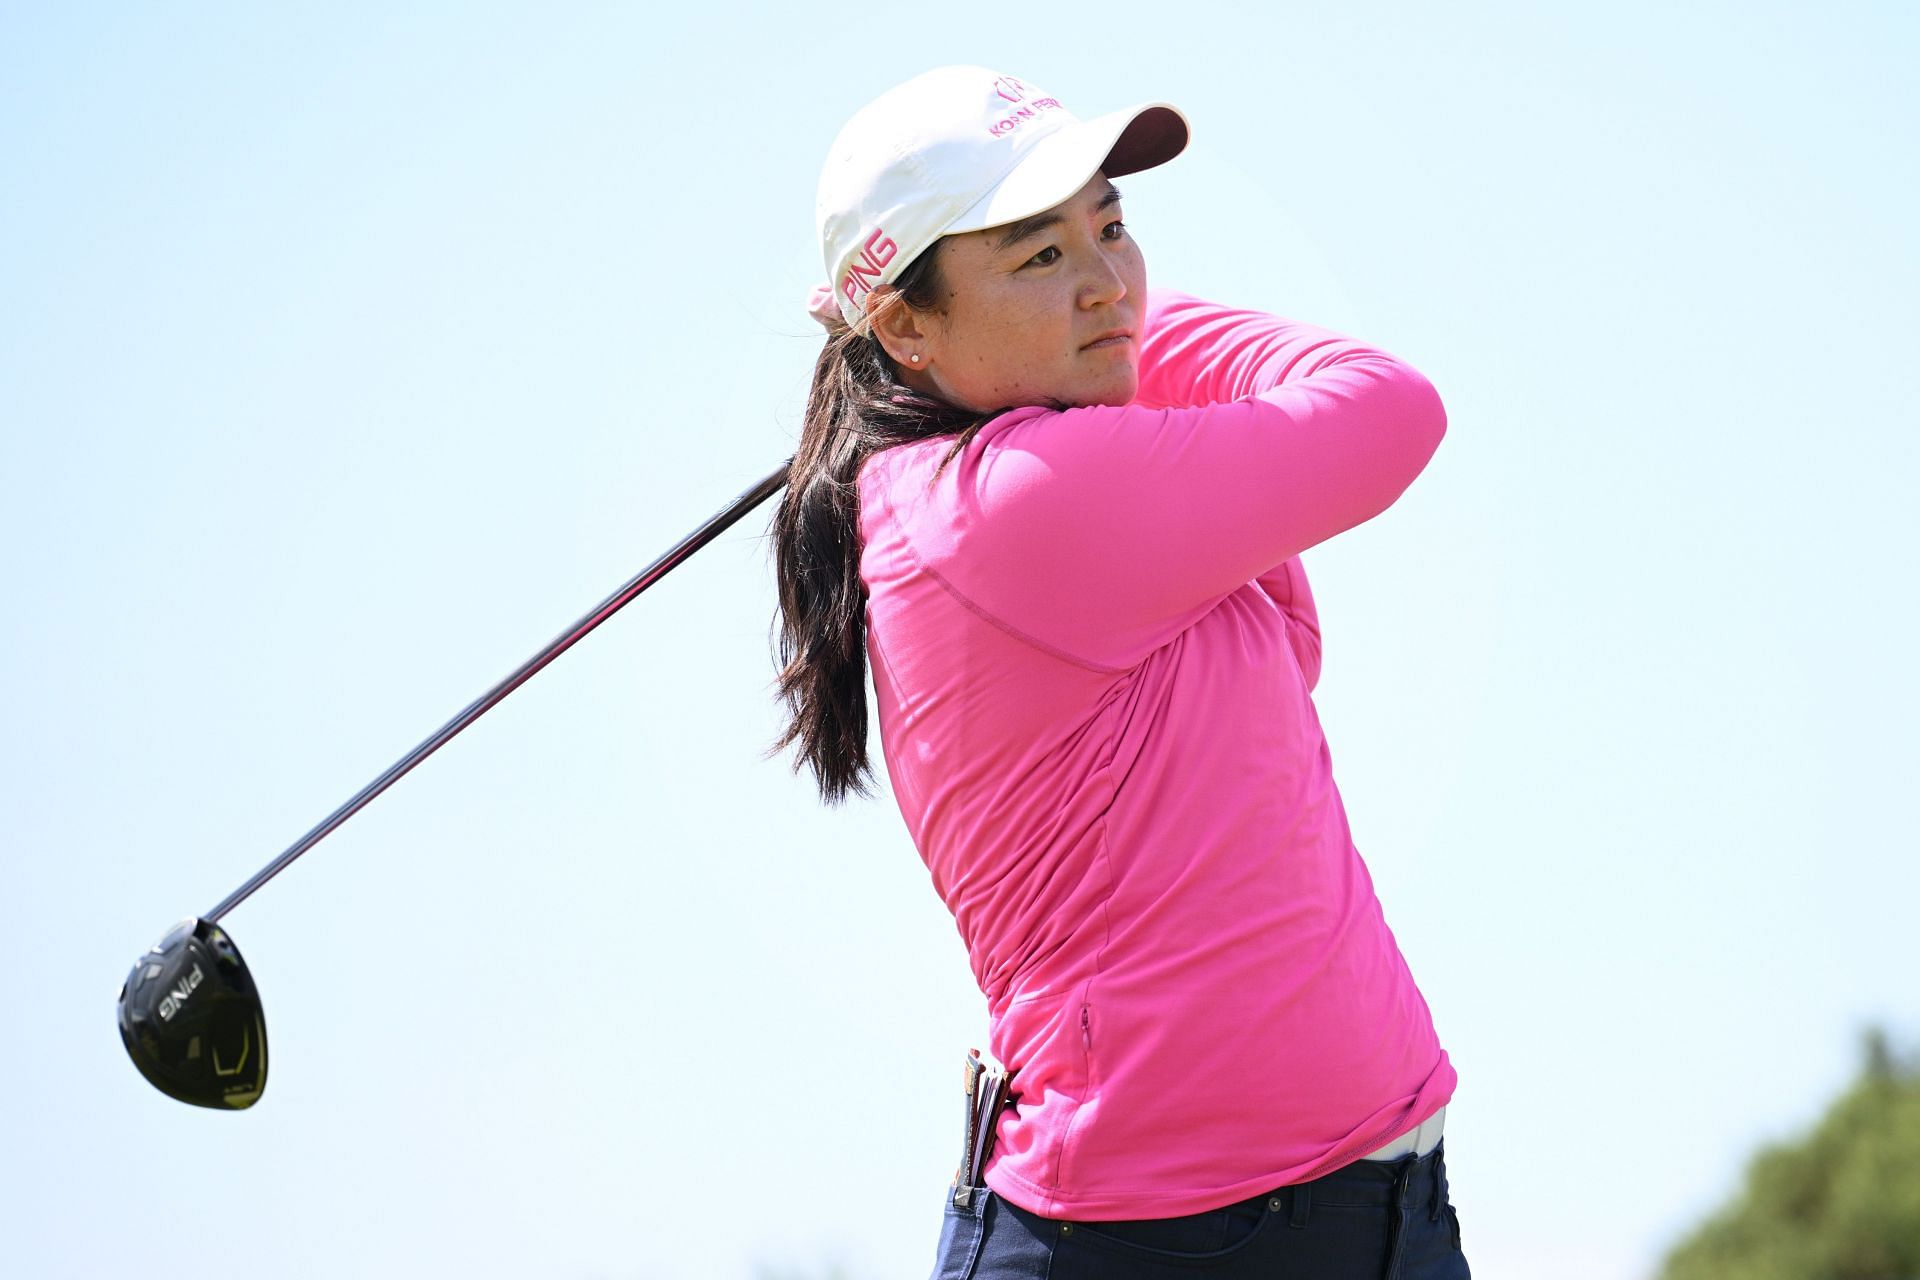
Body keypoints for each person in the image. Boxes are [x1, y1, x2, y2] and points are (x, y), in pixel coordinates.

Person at [772, 65, 1466, 1279]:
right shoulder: (1016, 504)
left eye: (1113, 228)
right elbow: (1387, 406)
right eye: (1037, 255)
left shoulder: (1025, 481)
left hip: (1357, 1221)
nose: (1106, 280)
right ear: (904, 325)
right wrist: (1137, 330)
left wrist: (1093, 325)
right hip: (1166, 1247)